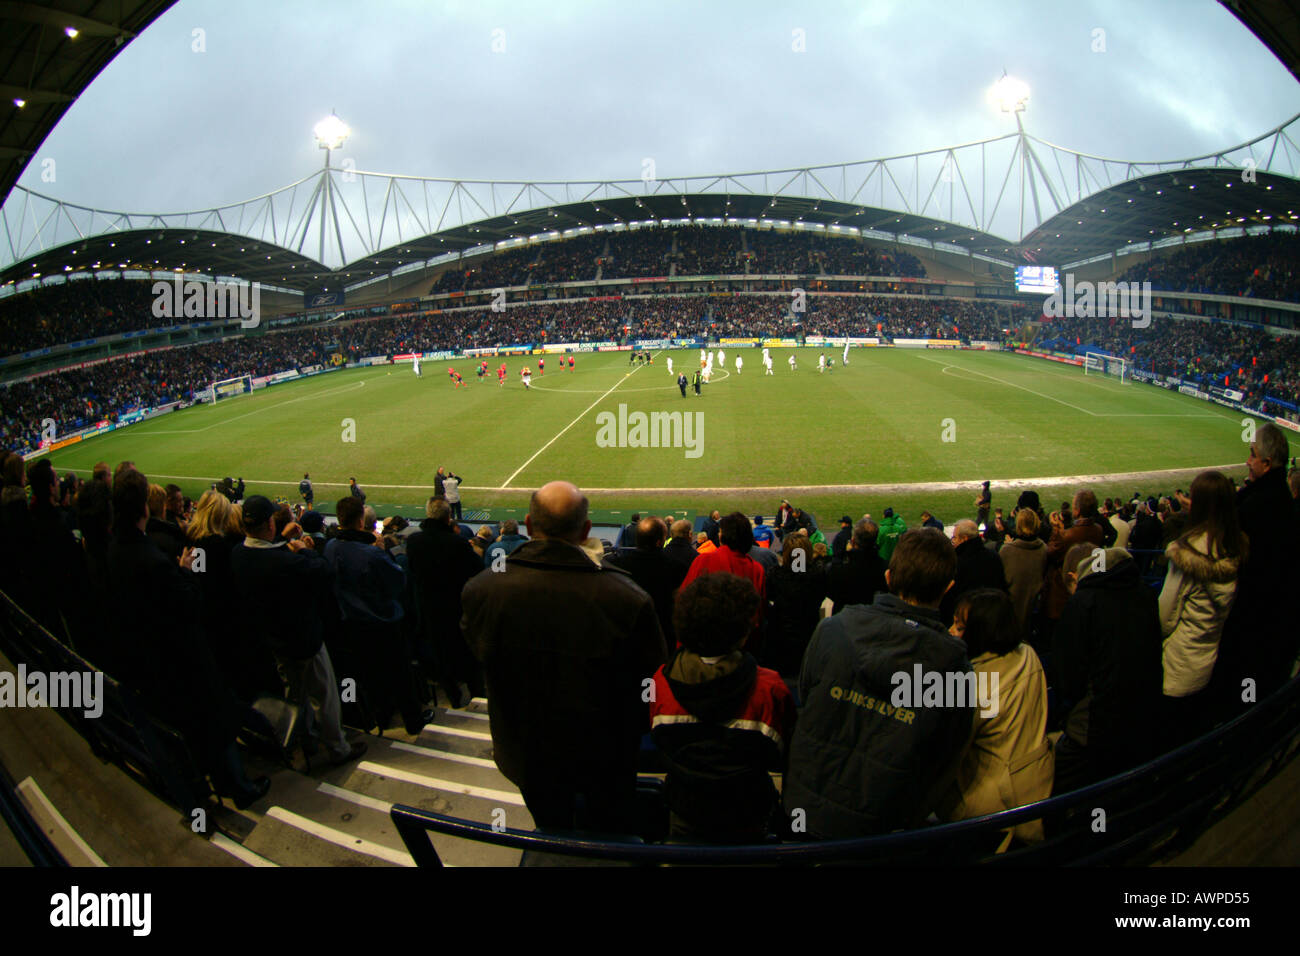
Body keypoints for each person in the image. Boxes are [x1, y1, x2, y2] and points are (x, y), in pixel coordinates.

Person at [461, 481, 667, 833]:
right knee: (609, 828)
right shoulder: (627, 597)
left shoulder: (481, 589)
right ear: (587, 529)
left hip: (525, 754)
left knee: (550, 825)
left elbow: (479, 654)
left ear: (528, 524)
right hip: (605, 754)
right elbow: (650, 676)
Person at [784, 528, 974, 838]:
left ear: (889, 577)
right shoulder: (956, 671)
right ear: (948, 588)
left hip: (804, 814)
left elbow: (807, 698)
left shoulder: (833, 630)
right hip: (884, 832)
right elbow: (945, 760)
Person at [107, 469, 271, 809]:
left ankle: (210, 787)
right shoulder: (157, 558)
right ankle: (238, 787)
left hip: (157, 661)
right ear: (145, 507)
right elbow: (193, 602)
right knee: (213, 717)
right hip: (187, 657)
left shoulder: (118, 549)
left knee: (198, 723)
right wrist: (184, 573)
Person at [651, 572, 795, 843]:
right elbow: (781, 754)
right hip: (747, 813)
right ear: (743, 632)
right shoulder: (770, 688)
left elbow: (660, 740)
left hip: (685, 809)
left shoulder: (660, 681)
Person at [231, 495, 366, 768]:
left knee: (295, 695)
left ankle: (304, 744)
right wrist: (304, 548)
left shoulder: (238, 554)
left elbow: (266, 556)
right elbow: (323, 572)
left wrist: (283, 538)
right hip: (304, 640)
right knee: (325, 696)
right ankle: (338, 748)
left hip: (275, 642)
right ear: (269, 522)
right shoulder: (285, 562)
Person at [939, 589, 1053, 845]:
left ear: (980, 633)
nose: (950, 631)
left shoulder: (974, 686)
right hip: (1033, 786)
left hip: (986, 809)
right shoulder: (1029, 655)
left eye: (959, 626)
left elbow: (947, 754)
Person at [1052, 544, 1163, 793]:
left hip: (1098, 727)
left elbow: (1068, 679)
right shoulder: (1143, 590)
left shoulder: (1082, 603)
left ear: (1074, 577)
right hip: (1144, 717)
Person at [323, 496, 432, 736]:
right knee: (400, 672)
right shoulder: (371, 555)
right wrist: (384, 552)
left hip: (350, 625)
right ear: (361, 521)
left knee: (370, 674)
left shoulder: (330, 548)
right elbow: (397, 582)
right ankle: (412, 720)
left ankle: (380, 717)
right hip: (383, 623)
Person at [1216, 423, 1300, 706]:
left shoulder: (1259, 508)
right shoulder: (1277, 500)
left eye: (1251, 455)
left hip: (1253, 638)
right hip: (1271, 638)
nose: (1247, 461)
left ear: (1266, 463)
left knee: (1241, 701)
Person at [1161, 470, 1248, 740]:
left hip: (1177, 667)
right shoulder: (1232, 548)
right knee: (1192, 732)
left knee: (1170, 737)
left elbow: (1164, 617)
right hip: (1207, 661)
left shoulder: (1188, 552)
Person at [406, 497, 486, 709]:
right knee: (468, 658)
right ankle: (479, 699)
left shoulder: (414, 542)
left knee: (441, 658)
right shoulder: (456, 543)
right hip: (456, 609)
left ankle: (455, 701)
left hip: (429, 611)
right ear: (448, 517)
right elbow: (478, 570)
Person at [606, 517, 689, 646]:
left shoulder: (615, 565)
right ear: (660, 542)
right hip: (664, 636)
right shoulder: (677, 568)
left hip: (625, 638)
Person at [765, 533, 828, 676]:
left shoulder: (776, 574)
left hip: (781, 634)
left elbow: (768, 597)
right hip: (808, 632)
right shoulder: (818, 575)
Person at [940, 519, 1009, 627]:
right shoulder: (994, 557)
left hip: (963, 621)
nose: (953, 541)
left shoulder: (956, 563)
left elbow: (949, 598)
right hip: (992, 618)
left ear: (964, 539)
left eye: (955, 538)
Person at [999, 509, 1047, 635]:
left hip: (1012, 613)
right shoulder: (1044, 548)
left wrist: (1009, 545)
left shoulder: (1007, 551)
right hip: (1034, 612)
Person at [826, 519, 887, 615]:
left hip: (843, 620)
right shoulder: (885, 569)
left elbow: (830, 592)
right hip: (875, 621)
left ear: (853, 541)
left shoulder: (837, 570)